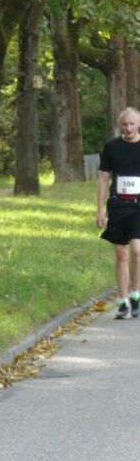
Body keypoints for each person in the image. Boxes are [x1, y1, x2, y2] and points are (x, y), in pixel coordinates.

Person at [97, 106, 140, 319]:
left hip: (139, 206)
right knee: (121, 254)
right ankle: (123, 302)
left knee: (137, 251)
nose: (128, 128)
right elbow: (104, 178)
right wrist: (99, 210)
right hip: (118, 205)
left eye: (132, 124)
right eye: (125, 124)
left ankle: (136, 294)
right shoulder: (112, 147)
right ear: (119, 125)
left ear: (138, 125)